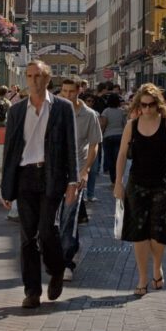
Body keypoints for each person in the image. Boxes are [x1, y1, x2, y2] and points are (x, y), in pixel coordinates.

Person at [1, 60, 79, 309]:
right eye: (30, 75)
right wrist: (6, 185)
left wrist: (73, 181)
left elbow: (71, 146)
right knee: (27, 238)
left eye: (39, 76)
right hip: (25, 176)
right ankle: (32, 291)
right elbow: (10, 150)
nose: (34, 80)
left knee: (47, 230)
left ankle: (56, 270)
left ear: (48, 79)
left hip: (51, 175)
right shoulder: (16, 110)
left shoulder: (62, 108)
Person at [114, 83, 166, 296]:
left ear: (158, 104)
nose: (148, 109)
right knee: (139, 232)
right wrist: (118, 182)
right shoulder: (132, 126)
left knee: (159, 231)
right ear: (138, 105)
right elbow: (122, 155)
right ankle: (143, 276)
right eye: (144, 105)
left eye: (152, 105)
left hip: (162, 182)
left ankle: (157, 266)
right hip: (137, 184)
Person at [57, 76, 102, 280]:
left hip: (75, 174)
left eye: (71, 91)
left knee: (69, 216)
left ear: (78, 92)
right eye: (64, 91)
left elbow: (94, 145)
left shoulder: (89, 115)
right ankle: (62, 249)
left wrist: (85, 170)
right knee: (52, 217)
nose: (67, 95)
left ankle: (66, 261)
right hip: (54, 172)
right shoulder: (53, 111)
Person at [99, 92, 127, 184]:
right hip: (120, 136)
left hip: (108, 136)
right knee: (119, 158)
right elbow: (125, 124)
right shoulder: (121, 111)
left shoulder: (106, 111)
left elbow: (103, 124)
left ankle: (113, 180)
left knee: (110, 159)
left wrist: (101, 134)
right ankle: (119, 178)